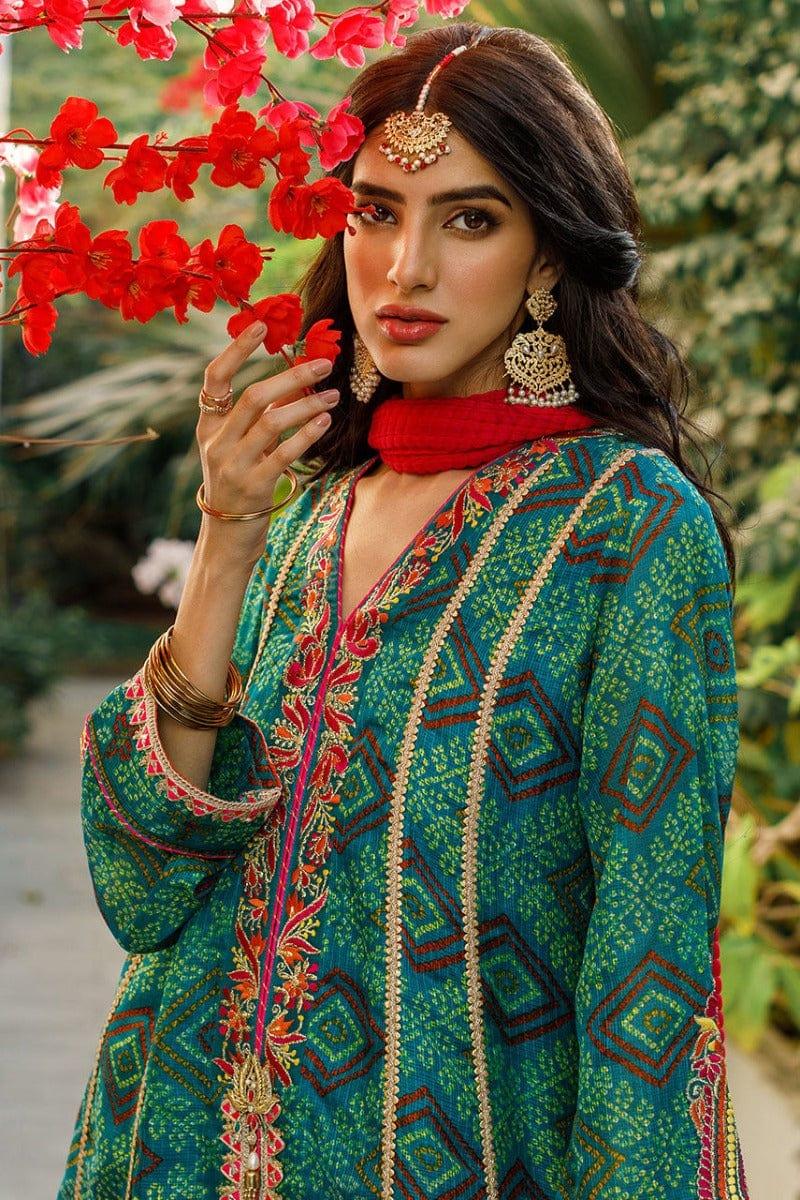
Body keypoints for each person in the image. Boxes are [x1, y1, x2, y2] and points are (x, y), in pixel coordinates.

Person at [58, 20, 750, 1200]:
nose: (404, 268)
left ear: (546, 254)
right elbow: (143, 888)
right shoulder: (308, 514)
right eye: (374, 212)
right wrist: (225, 539)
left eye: (468, 220)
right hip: (169, 1150)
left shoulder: (628, 530)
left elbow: (651, 971)